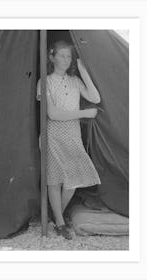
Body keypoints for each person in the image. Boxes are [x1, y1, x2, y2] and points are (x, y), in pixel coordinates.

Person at [36, 40, 101, 240]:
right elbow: (53, 114)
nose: (65, 59)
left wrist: (82, 70)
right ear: (52, 57)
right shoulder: (44, 81)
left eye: (68, 56)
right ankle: (61, 222)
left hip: (72, 134)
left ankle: (55, 216)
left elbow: (95, 98)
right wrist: (84, 113)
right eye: (62, 55)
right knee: (54, 180)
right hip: (53, 134)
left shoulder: (75, 81)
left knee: (72, 180)